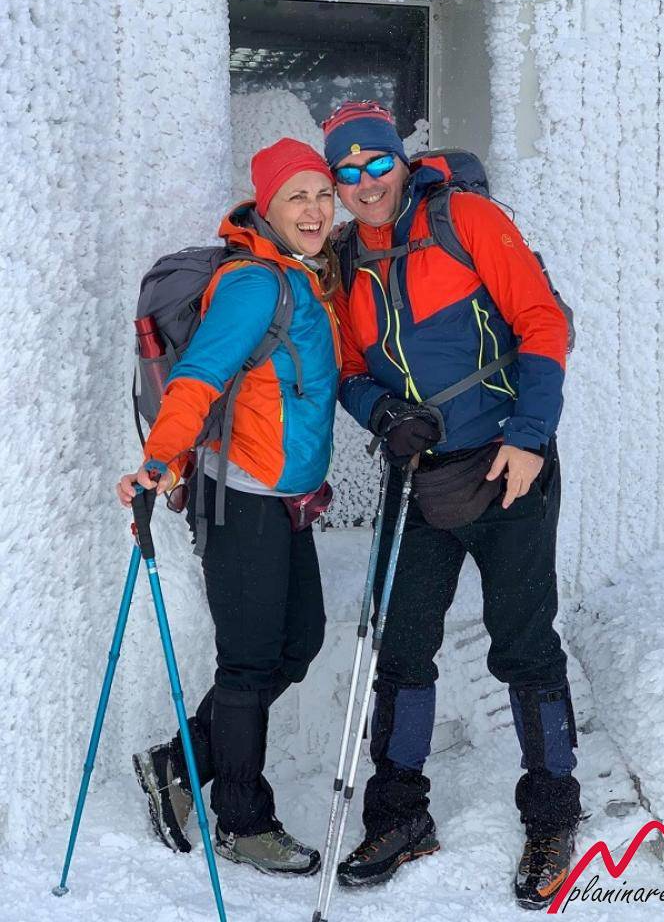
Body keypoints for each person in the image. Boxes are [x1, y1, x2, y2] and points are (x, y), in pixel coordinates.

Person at [323, 101, 580, 909]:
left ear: (400, 161)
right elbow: (347, 369)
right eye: (347, 172)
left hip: (508, 464)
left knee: (524, 644)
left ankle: (552, 815)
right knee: (402, 647)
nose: (366, 182)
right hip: (420, 475)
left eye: (377, 162)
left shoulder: (466, 220)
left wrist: (530, 438)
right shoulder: (344, 260)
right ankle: (399, 816)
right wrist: (380, 414)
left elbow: (542, 323)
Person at [117, 138, 341, 876]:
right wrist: (157, 464)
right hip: (239, 500)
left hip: (283, 499)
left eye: (322, 194)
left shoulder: (300, 274)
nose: (314, 210)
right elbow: (198, 377)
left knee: (298, 642)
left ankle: (178, 764)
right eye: (297, 197)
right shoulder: (253, 283)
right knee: (247, 665)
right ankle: (243, 823)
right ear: (267, 206)